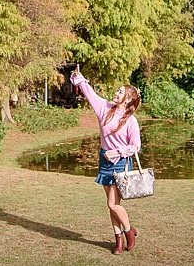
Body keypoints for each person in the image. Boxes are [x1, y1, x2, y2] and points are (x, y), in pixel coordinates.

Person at [70, 65, 142, 255]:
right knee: (112, 204)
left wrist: (117, 151)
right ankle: (118, 241)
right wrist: (79, 78)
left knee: (113, 204)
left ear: (127, 100)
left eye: (120, 92)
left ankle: (129, 232)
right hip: (104, 161)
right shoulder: (104, 107)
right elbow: (89, 92)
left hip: (120, 163)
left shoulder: (131, 121)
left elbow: (135, 147)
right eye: (117, 90)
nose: (116, 93)